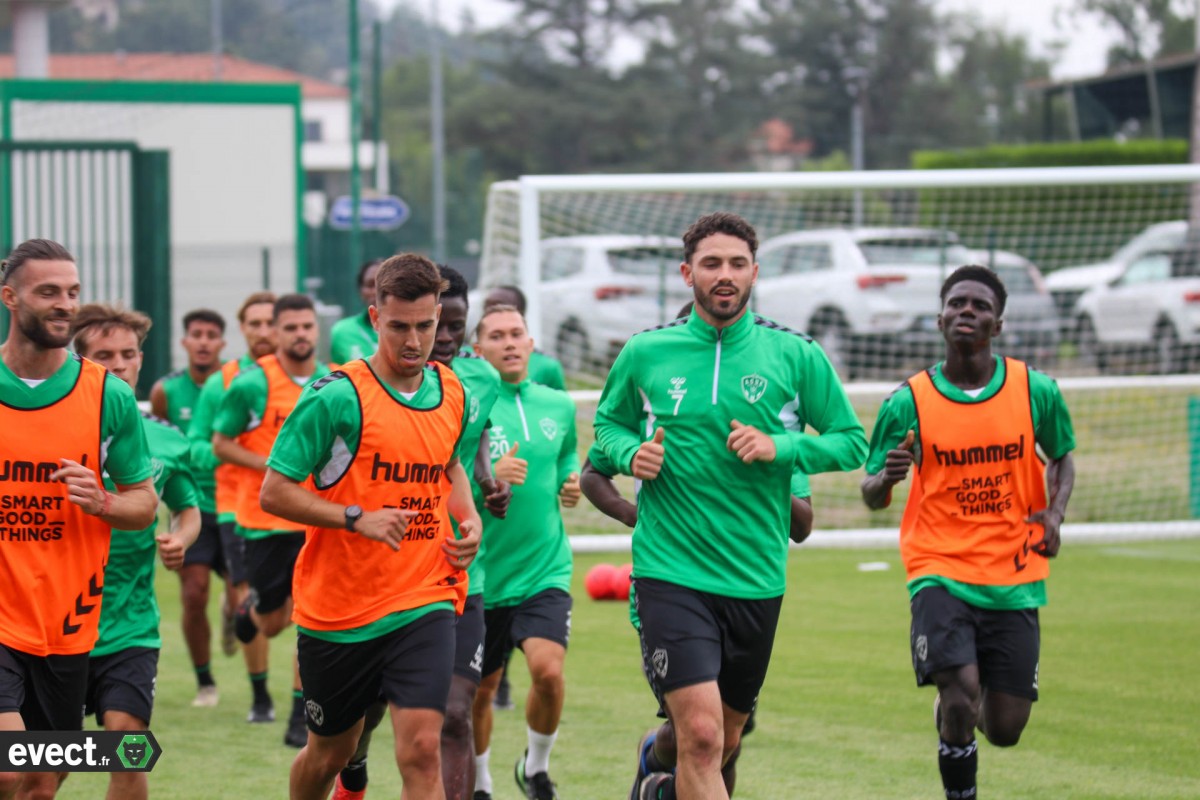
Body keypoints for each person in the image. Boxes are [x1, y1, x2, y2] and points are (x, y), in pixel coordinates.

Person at [592, 212, 867, 800]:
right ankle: (669, 759)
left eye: (737, 264)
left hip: (755, 577)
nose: (725, 275)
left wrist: (782, 447)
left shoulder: (795, 355)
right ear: (688, 272)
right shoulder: (646, 351)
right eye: (712, 264)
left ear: (754, 273)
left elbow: (852, 442)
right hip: (671, 571)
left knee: (724, 740)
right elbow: (606, 430)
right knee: (700, 735)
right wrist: (630, 451)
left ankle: (654, 770)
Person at [257, 253, 482, 800]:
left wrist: (468, 517)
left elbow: (449, 464)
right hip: (338, 612)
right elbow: (275, 491)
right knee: (328, 754)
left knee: (422, 748)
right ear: (374, 317)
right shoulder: (336, 397)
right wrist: (355, 517)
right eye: (399, 326)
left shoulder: (452, 393)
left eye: (425, 326)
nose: (414, 341)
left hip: (423, 597)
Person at [859, 264, 1076, 800]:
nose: (966, 312)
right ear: (940, 318)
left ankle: (957, 709)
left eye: (979, 306)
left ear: (996, 325)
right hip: (939, 567)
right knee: (960, 694)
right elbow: (870, 493)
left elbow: (1063, 456)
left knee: (1005, 727)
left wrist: (1055, 514)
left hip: (1013, 569)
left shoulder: (1035, 390)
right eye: (957, 303)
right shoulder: (907, 401)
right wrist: (884, 479)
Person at [329, 264, 512, 800]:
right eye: (439, 326)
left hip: (452, 577)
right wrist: (356, 517)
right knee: (359, 720)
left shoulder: (477, 380)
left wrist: (484, 484)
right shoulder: (353, 388)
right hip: (373, 578)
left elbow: (466, 443)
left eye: (454, 326)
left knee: (453, 714)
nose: (445, 339)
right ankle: (352, 765)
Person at [0, 239, 156, 800]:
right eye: (48, 292)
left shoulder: (106, 397)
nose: (64, 304)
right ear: (10, 298)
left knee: (43, 781)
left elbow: (144, 504)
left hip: (67, 627)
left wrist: (104, 502)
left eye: (72, 292)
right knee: (8, 767)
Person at [63, 304, 201, 800]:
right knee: (38, 769)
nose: (119, 365)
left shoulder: (166, 439)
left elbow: (187, 508)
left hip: (129, 625)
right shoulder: (56, 428)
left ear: (141, 359)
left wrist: (178, 540)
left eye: (128, 354)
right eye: (104, 355)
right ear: (80, 361)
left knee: (128, 747)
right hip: (54, 624)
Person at [470, 304, 581, 800]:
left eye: (517, 334)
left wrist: (570, 481)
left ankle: (535, 768)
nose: (510, 343)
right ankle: (481, 783)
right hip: (482, 578)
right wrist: (489, 484)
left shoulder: (557, 404)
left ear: (532, 343)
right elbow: (447, 492)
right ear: (478, 350)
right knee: (481, 694)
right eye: (497, 336)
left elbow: (565, 456)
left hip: (544, 571)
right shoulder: (468, 411)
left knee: (549, 673)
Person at [213, 293, 331, 748]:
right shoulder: (251, 384)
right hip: (263, 521)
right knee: (272, 622)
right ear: (275, 333)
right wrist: (271, 464)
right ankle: (247, 611)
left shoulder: (332, 382)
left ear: (315, 330)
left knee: (310, 617)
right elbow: (221, 443)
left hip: (315, 524)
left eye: (307, 326)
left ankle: (300, 714)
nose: (300, 334)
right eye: (291, 328)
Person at [186, 292, 277, 724]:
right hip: (237, 507)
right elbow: (198, 443)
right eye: (254, 323)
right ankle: (261, 698)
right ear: (242, 328)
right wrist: (234, 453)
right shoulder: (224, 382)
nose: (264, 331)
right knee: (252, 597)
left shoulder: (313, 380)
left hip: (300, 509)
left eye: (270, 323)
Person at [149, 308, 238, 708]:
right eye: (196, 334)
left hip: (237, 505)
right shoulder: (165, 391)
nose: (203, 341)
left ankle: (232, 615)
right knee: (193, 592)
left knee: (242, 599)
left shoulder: (237, 384)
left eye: (211, 335)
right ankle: (205, 682)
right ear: (184, 342)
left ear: (222, 343)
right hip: (191, 504)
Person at [482, 286, 566, 391]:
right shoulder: (463, 359)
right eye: (487, 307)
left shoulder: (547, 365)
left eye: (501, 307)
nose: (492, 313)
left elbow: (558, 404)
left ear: (520, 313)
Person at [330, 258, 382, 365]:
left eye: (382, 284)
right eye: (370, 285)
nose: (377, 291)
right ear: (360, 290)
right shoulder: (342, 332)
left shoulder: (410, 329)